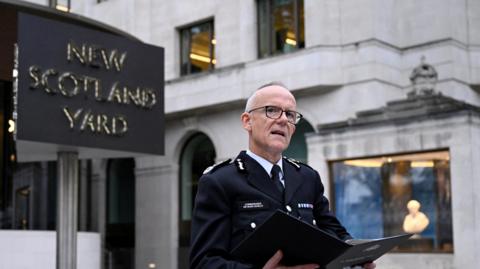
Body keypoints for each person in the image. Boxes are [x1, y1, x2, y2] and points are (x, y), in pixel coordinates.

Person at [190, 82, 376, 269]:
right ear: (247, 121)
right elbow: (204, 262)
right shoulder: (220, 181)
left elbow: (333, 232)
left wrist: (357, 258)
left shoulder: (307, 177)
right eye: (271, 110)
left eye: (290, 114)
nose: (283, 120)